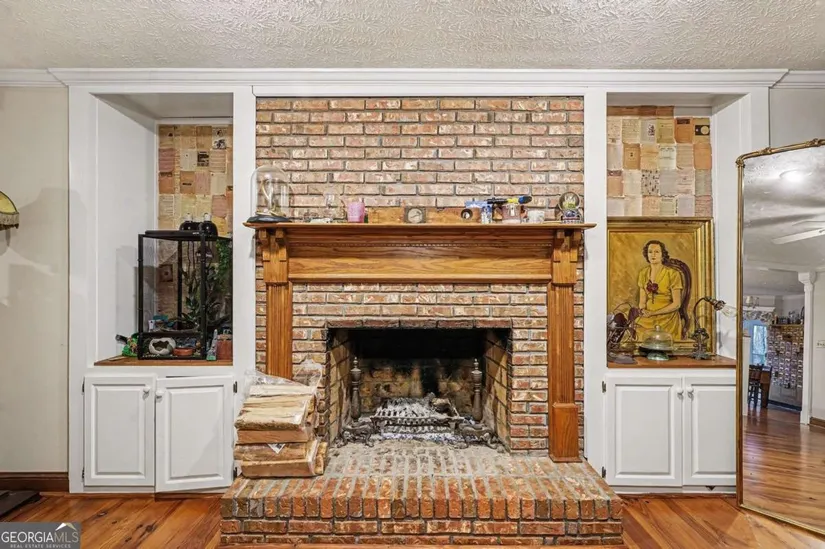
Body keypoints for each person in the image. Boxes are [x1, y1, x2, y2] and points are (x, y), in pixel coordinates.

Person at [635, 240, 684, 341]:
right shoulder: (643, 273)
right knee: (638, 330)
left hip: (668, 318)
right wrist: (643, 310)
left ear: (662, 255)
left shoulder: (673, 274)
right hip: (648, 317)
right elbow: (642, 302)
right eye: (650, 252)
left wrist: (654, 313)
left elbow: (677, 304)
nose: (653, 254)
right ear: (646, 255)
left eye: (656, 252)